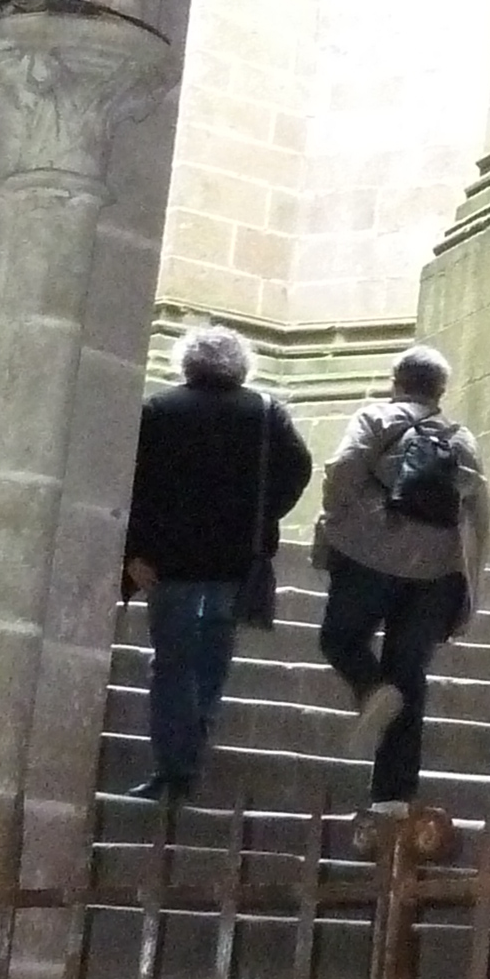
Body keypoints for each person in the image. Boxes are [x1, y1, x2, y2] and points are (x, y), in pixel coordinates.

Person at [121, 323, 313, 806]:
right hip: (236, 561)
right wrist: (264, 514)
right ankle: (192, 752)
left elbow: (133, 485)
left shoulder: (158, 410)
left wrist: (133, 553)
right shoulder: (267, 412)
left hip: (170, 562)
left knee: (171, 663)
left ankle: (174, 766)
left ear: (187, 362)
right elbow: (298, 468)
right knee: (212, 660)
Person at [316, 343, 490, 802]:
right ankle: (393, 799)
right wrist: (469, 589)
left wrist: (337, 521)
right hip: (436, 574)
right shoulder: (462, 439)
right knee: (409, 676)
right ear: (440, 391)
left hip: (370, 556)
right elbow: (478, 516)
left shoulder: (376, 418)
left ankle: (372, 689)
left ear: (397, 382)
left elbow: (343, 470)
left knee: (340, 639)